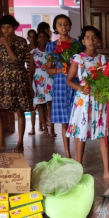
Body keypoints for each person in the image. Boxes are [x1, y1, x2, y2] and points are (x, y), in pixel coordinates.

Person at [65, 26, 109, 180]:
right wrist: (80, 87)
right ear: (83, 40)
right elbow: (69, 80)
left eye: (94, 37)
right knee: (81, 133)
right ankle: (78, 168)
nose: (91, 40)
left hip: (100, 101)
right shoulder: (78, 58)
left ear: (98, 40)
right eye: (87, 37)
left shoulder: (104, 60)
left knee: (103, 134)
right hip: (83, 100)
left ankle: (106, 171)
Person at [0, 15, 34, 152]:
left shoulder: (21, 41)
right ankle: (0, 142)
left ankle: (20, 142)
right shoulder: (1, 42)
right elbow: (1, 64)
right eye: (3, 27)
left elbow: (16, 60)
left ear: (14, 27)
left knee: (19, 110)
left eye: (8, 27)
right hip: (5, 78)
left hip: (18, 77)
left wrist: (6, 44)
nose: (5, 30)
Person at [46, 15, 77, 157]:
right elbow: (48, 69)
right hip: (59, 85)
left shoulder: (77, 44)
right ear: (56, 28)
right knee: (64, 121)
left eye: (65, 23)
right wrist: (61, 70)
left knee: (76, 119)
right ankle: (67, 154)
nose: (63, 26)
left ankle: (78, 155)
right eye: (59, 24)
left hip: (75, 84)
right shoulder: (51, 46)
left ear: (70, 25)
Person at [31, 30, 53, 137]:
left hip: (49, 78)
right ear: (37, 39)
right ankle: (45, 129)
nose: (42, 39)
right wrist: (30, 84)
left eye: (44, 37)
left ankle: (52, 129)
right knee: (41, 104)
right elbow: (31, 69)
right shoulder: (33, 52)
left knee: (50, 103)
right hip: (38, 78)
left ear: (47, 38)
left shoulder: (51, 51)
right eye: (40, 37)